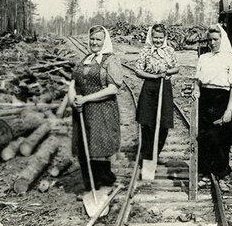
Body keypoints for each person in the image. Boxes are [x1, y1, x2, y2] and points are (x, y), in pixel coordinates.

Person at [68, 25, 123, 200]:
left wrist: (86, 99)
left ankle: (101, 187)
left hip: (102, 111)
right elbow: (72, 83)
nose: (94, 42)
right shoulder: (86, 58)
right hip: (82, 111)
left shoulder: (110, 60)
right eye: (92, 39)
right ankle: (89, 187)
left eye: (98, 39)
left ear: (104, 41)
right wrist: (73, 100)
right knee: (84, 148)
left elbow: (113, 88)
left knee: (99, 147)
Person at [192, 24, 232, 192]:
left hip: (223, 99)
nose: (212, 43)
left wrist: (229, 110)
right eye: (210, 39)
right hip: (206, 99)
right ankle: (207, 173)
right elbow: (198, 79)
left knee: (221, 139)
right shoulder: (203, 58)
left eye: (216, 39)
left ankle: (221, 172)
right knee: (205, 137)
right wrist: (196, 88)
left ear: (223, 39)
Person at [135, 24, 179, 168]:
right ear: (151, 37)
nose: (158, 40)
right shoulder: (146, 51)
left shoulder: (169, 51)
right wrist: (154, 76)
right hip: (149, 87)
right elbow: (138, 71)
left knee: (164, 124)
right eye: (155, 37)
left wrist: (167, 73)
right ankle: (147, 157)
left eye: (161, 38)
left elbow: (176, 67)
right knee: (147, 123)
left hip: (164, 87)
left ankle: (156, 154)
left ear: (165, 37)